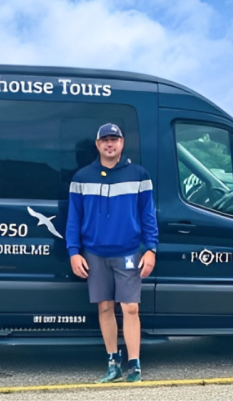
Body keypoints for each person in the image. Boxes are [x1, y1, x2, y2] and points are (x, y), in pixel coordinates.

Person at [66, 123, 158, 383]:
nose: (110, 144)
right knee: (105, 308)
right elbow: (73, 219)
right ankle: (112, 363)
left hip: (129, 251)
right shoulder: (81, 178)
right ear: (97, 145)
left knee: (130, 309)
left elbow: (148, 216)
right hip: (93, 253)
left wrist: (151, 249)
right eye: (104, 140)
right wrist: (74, 252)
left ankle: (135, 365)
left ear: (122, 143)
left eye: (114, 140)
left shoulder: (139, 174)